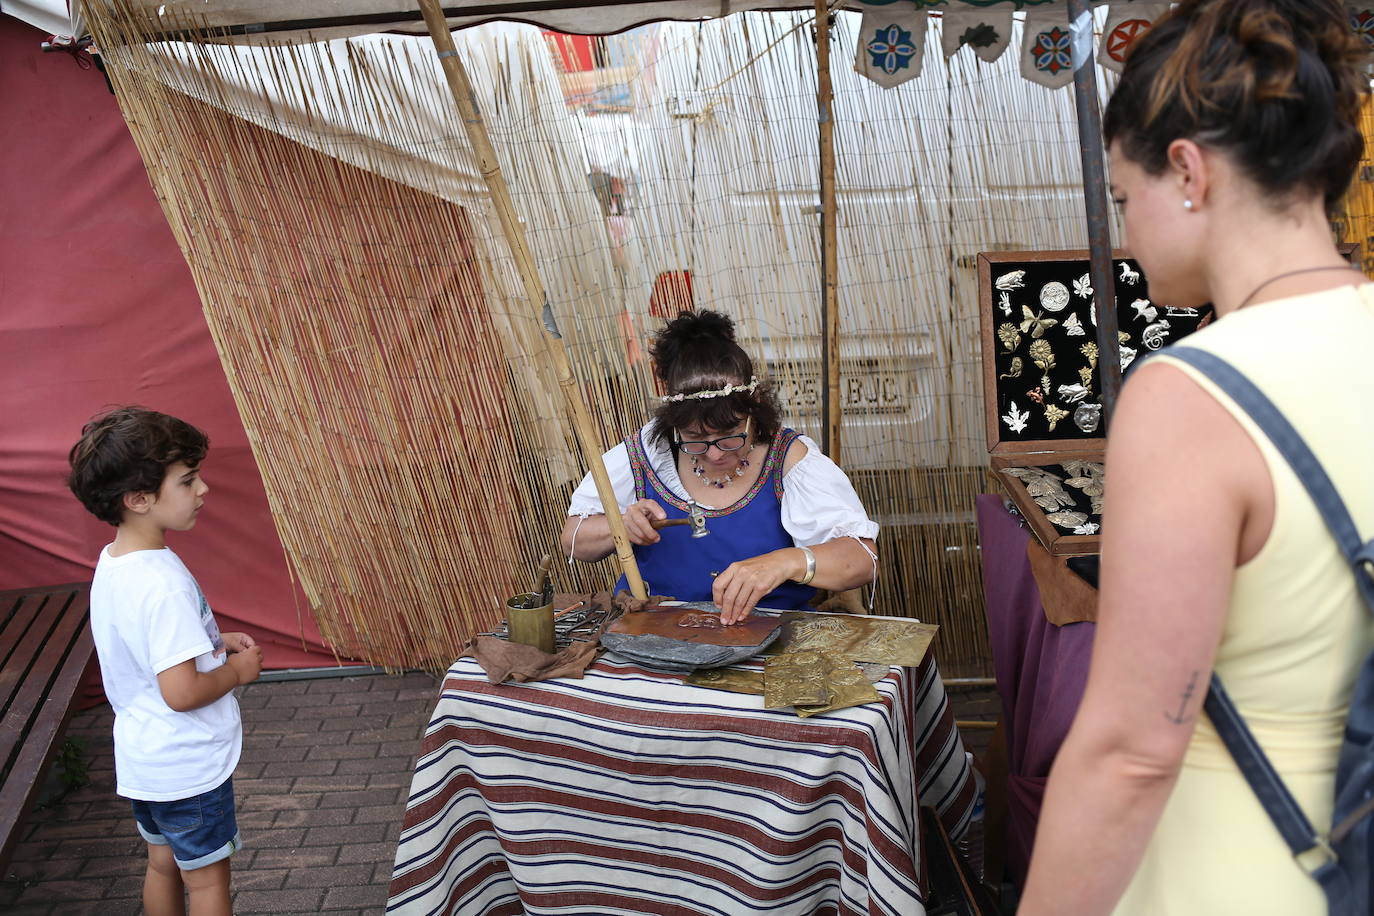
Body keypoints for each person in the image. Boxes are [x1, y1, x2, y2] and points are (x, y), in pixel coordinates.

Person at [1018, 2, 1374, 912]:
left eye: (1122, 198)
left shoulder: (1192, 396)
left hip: (1248, 874)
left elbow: (1133, 750)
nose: (1126, 236)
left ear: (1188, 172)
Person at [561, 309, 878, 624]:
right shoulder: (645, 454)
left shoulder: (788, 460)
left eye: (728, 436)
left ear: (753, 406)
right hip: (652, 637)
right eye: (695, 439)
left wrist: (785, 562)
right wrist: (620, 527)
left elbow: (862, 560)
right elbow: (573, 540)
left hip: (767, 639)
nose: (714, 455)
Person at [68, 407, 263, 916]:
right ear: (139, 499)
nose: (203, 490)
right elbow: (180, 694)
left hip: (145, 761)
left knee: (162, 865)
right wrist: (236, 671)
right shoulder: (163, 581)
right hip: (188, 766)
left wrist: (212, 642)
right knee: (206, 884)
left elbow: (148, 647)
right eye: (188, 480)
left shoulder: (116, 563)